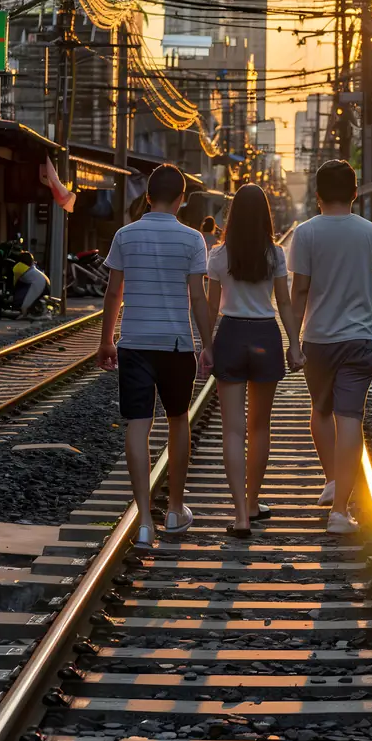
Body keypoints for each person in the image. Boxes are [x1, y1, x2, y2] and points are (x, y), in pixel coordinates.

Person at [97, 164, 214, 550]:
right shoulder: (193, 239)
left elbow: (114, 293)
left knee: (138, 424)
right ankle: (176, 509)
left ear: (147, 197)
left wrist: (106, 341)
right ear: (182, 200)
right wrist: (207, 343)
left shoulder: (125, 236)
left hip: (134, 343)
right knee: (178, 421)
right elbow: (198, 297)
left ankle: (145, 520)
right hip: (176, 345)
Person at [288, 160, 372, 535]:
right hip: (360, 338)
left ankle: (332, 478)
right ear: (354, 193)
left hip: (318, 339)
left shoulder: (306, 233)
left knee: (321, 409)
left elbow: (299, 290)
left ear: (316, 197)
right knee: (350, 418)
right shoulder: (370, 233)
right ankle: (339, 511)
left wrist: (292, 339)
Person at [206, 183, 304, 538]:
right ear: (265, 215)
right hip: (265, 336)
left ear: (232, 216)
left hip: (231, 334)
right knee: (259, 427)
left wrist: (205, 345)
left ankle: (240, 517)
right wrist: (295, 344)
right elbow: (285, 304)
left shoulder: (218, 255)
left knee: (232, 429)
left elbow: (210, 306)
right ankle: (252, 502)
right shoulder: (275, 254)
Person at [12, 253, 49, 318]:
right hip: (44, 281)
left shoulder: (18, 267)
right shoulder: (31, 267)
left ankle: (25, 316)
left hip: (38, 283)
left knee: (25, 305)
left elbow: (15, 282)